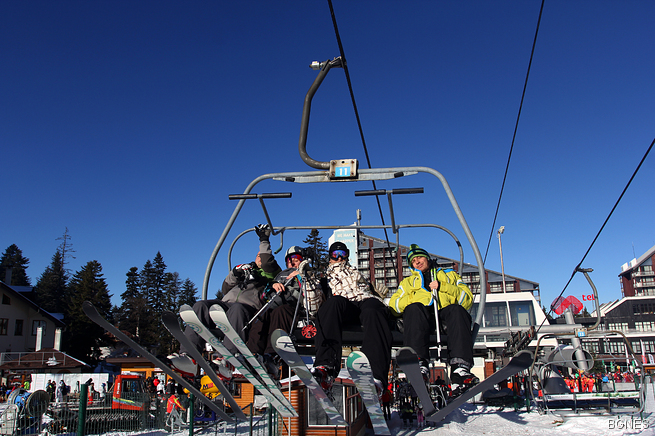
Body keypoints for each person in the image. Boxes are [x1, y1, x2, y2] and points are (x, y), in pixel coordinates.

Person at [169, 224, 282, 375]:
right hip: (225, 304)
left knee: (237, 309)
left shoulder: (271, 273)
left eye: (262, 255)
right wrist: (235, 273)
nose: (260, 258)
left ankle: (227, 358)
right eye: (257, 255)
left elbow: (267, 261)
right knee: (200, 305)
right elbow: (225, 288)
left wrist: (264, 239)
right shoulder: (248, 269)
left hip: (248, 308)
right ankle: (189, 355)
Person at [389, 243, 477, 395]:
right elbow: (394, 306)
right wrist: (413, 299)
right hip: (420, 319)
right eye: (413, 260)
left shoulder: (450, 275)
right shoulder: (407, 283)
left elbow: (467, 300)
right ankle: (418, 364)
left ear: (427, 258)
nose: (417, 261)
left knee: (457, 311)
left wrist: (443, 287)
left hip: (444, 316)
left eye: (419, 257)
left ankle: (460, 368)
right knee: (414, 309)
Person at [311, 242, 392, 396]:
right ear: (330, 258)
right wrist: (310, 282)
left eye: (343, 254)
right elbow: (313, 304)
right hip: (343, 307)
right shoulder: (324, 278)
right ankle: (325, 365)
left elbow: (368, 292)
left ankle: (375, 377)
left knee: (374, 309)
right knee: (333, 303)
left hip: (364, 302)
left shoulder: (357, 274)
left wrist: (376, 294)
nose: (340, 258)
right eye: (335, 255)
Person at [247, 245, 324, 377]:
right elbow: (265, 292)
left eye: (296, 258)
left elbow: (314, 294)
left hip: (295, 307)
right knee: (261, 314)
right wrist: (273, 285)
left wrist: (301, 276)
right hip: (274, 303)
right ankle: (253, 354)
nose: (292, 262)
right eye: (289, 259)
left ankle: (272, 356)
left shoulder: (309, 274)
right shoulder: (281, 275)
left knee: (281, 312)